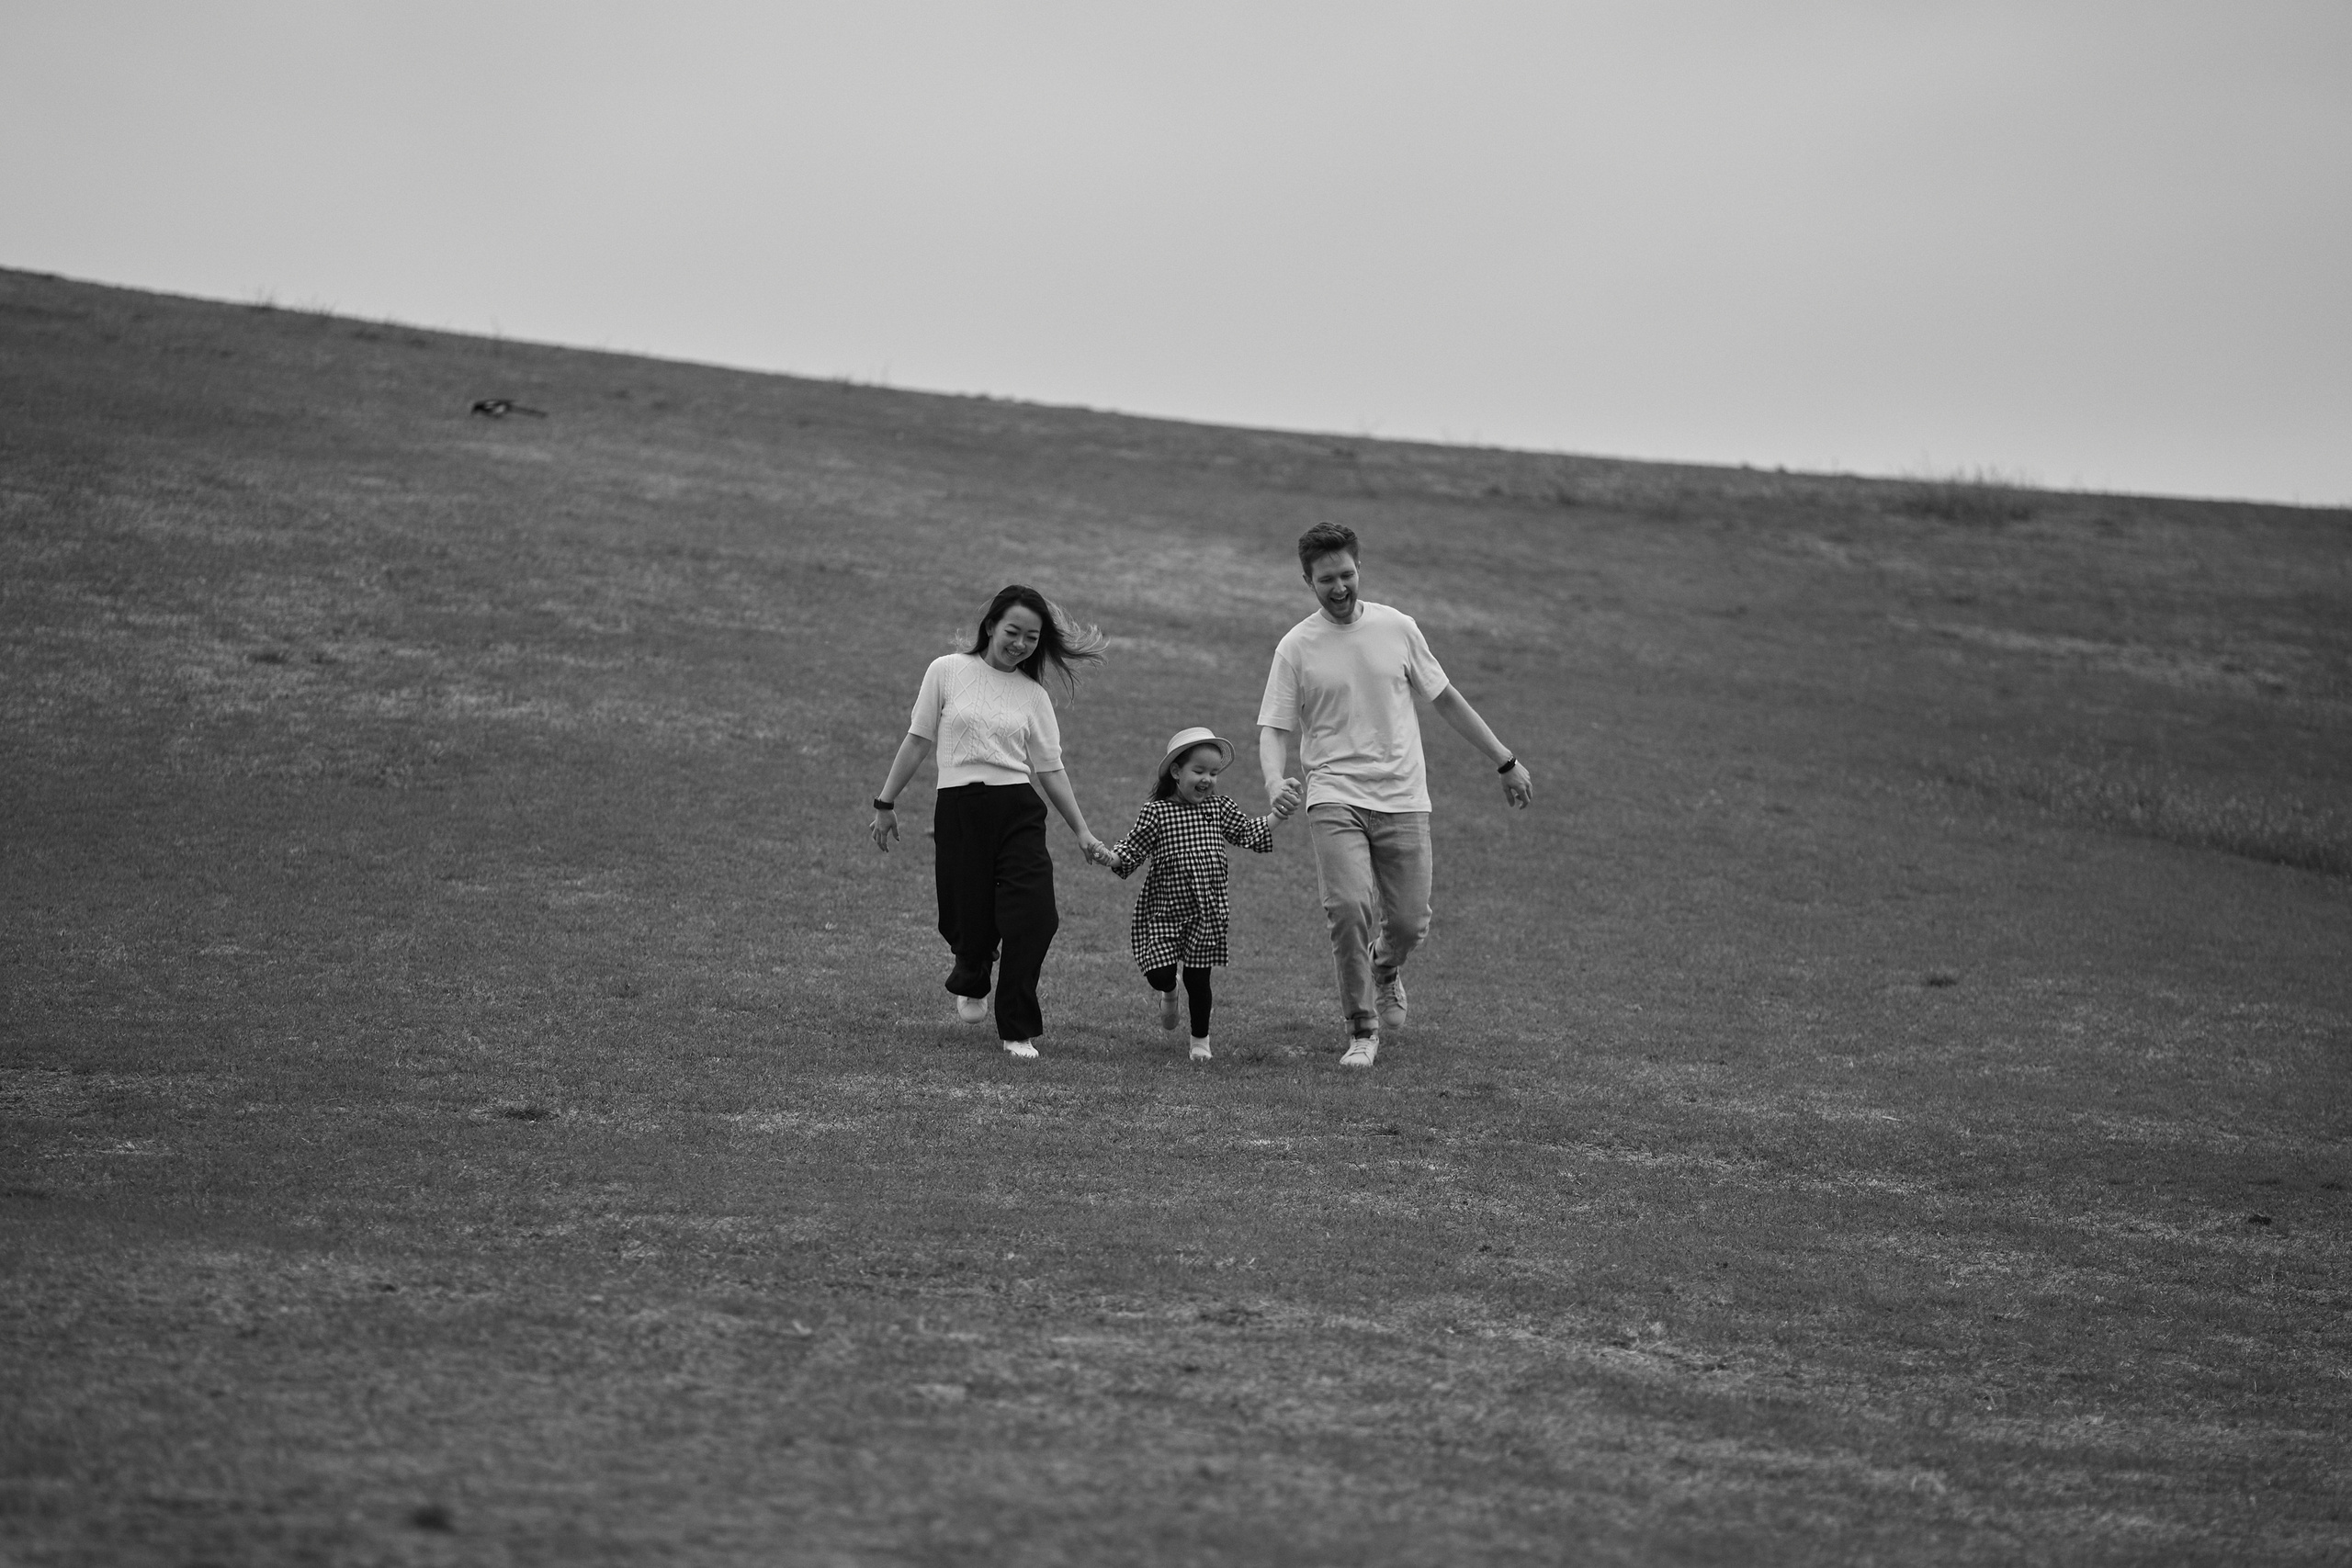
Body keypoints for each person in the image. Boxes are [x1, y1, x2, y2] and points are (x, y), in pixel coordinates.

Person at [1256, 524, 1533, 1067]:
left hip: (1404, 797)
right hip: (1333, 793)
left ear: (1359, 570)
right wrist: (1275, 780)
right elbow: (1274, 727)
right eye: (1326, 579)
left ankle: (1386, 967)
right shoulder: (1296, 647)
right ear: (1306, 580)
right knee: (1347, 908)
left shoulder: (1398, 628)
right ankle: (1362, 1030)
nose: (1339, 588)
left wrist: (1505, 759)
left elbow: (1446, 699)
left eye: (1347, 575)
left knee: (1409, 921)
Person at [869, 585, 1110, 1059]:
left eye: (1031, 637)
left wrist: (1081, 830)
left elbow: (1051, 769)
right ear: (991, 627)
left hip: (1019, 809)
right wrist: (885, 802)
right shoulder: (947, 670)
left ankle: (1016, 1028)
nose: (1020, 643)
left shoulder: (1034, 696)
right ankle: (972, 972)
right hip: (961, 809)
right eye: (1012, 631)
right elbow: (918, 739)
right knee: (966, 914)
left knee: (1038, 917)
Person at [1095, 728, 1305, 1061]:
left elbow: (1250, 832)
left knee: (1199, 978)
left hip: (1206, 913)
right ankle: (1168, 991)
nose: (1208, 779)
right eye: (1199, 771)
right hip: (1164, 912)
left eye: (1214, 772)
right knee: (1159, 973)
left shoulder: (1219, 809)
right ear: (1177, 772)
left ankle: (1200, 1042)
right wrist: (1111, 856)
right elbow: (1131, 848)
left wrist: (1280, 812)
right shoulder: (1157, 813)